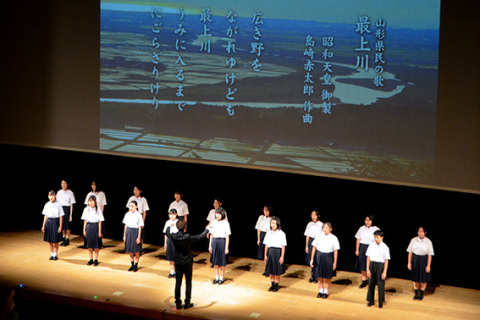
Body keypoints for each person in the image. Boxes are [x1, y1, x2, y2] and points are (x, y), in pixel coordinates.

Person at [166, 220, 209, 310]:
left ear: (177, 227)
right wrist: (207, 229)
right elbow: (200, 237)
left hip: (178, 261)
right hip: (187, 261)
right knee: (188, 282)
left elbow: (167, 232)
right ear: (185, 227)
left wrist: (170, 226)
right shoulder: (187, 236)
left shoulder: (174, 236)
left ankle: (178, 303)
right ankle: (187, 302)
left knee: (178, 282)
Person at [310, 222, 340, 299]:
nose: (325, 229)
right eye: (324, 227)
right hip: (319, 256)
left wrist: (335, 262)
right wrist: (312, 259)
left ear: (330, 229)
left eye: (327, 228)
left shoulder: (334, 238)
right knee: (319, 275)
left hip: (328, 257)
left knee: (327, 276)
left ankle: (326, 291)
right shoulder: (319, 236)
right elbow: (314, 247)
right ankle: (320, 291)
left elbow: (335, 251)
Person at [407, 226, 434, 301]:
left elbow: (430, 254)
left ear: (425, 232)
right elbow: (410, 252)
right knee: (415, 278)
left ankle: (421, 294)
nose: (420, 233)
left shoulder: (428, 241)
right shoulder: (413, 240)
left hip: (424, 260)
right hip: (415, 259)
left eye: (422, 231)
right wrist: (409, 263)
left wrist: (428, 265)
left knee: (423, 278)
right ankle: (416, 294)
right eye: (419, 231)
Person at [366, 230, 390, 308]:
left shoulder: (385, 247)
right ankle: (371, 300)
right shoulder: (371, 245)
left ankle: (380, 302)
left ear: (381, 237)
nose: (376, 239)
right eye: (374, 237)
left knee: (380, 284)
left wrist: (384, 272)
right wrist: (367, 269)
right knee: (371, 284)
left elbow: (386, 260)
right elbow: (368, 257)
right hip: (372, 265)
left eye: (377, 237)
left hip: (380, 266)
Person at [354, 215, 379, 288]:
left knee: (372, 265)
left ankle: (373, 280)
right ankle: (364, 281)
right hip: (362, 247)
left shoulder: (376, 229)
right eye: (366, 220)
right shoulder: (361, 228)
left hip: (372, 248)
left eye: (369, 220)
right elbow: (358, 239)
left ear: (372, 221)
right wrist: (357, 249)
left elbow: (379, 241)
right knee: (362, 264)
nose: (367, 222)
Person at [263, 216, 287, 292]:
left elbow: (283, 246)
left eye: (274, 223)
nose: (273, 225)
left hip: (278, 252)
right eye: (272, 223)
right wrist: (265, 255)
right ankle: (272, 284)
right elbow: (266, 245)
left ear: (277, 224)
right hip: (270, 251)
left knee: (277, 270)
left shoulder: (281, 233)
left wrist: (282, 256)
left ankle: (277, 284)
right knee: (270, 270)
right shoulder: (268, 233)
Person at [208, 207, 231, 285]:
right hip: (215, 241)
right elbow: (211, 234)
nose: (217, 215)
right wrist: (210, 245)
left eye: (219, 214)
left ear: (222, 214)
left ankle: (221, 277)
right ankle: (216, 277)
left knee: (222, 261)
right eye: (216, 214)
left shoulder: (225, 223)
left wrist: (226, 247)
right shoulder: (213, 222)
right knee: (215, 261)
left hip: (222, 241)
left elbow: (227, 236)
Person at [81, 195, 105, 266]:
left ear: (95, 202)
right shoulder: (86, 209)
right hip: (89, 226)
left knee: (96, 244)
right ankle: (91, 259)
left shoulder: (98, 209)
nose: (90, 202)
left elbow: (100, 221)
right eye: (89, 201)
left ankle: (96, 259)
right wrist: (84, 230)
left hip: (95, 226)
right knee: (89, 244)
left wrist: (100, 231)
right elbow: (85, 220)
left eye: (92, 201)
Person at [41, 190, 64, 260]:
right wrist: (43, 225)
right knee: (50, 239)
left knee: (56, 240)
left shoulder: (59, 204)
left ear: (55, 196)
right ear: (48, 196)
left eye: (52, 195)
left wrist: (60, 226)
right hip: (49, 222)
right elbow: (45, 215)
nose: (51, 197)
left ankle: (56, 254)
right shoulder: (47, 204)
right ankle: (52, 254)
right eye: (50, 195)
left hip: (56, 221)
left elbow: (61, 216)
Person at [122, 200, 144, 272]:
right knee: (130, 250)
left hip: (135, 231)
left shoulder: (139, 215)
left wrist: (139, 237)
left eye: (132, 206)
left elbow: (140, 226)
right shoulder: (127, 214)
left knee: (136, 250)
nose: (131, 208)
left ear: (136, 206)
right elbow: (126, 225)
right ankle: (132, 264)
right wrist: (124, 235)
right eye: (130, 206)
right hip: (129, 231)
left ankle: (136, 265)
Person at [304, 210, 323, 283]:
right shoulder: (309, 224)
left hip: (318, 243)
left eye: (315, 215)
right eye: (312, 215)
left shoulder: (321, 225)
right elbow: (307, 235)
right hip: (311, 242)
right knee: (310, 260)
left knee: (316, 260)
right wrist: (306, 246)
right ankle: (312, 275)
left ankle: (317, 275)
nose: (313, 216)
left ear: (318, 216)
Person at [57, 179, 76, 246]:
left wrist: (70, 215)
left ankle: (67, 239)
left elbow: (71, 204)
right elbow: (57, 203)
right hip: (60, 208)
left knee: (67, 225)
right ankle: (63, 238)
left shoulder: (70, 192)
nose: (63, 185)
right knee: (61, 224)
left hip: (67, 209)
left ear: (67, 184)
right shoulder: (59, 192)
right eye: (62, 183)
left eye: (65, 183)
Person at [163, 209, 179, 278]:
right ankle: (172, 272)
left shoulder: (178, 222)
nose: (171, 216)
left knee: (176, 257)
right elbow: (165, 234)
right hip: (169, 240)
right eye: (170, 214)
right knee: (170, 257)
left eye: (173, 214)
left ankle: (177, 272)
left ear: (176, 215)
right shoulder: (167, 222)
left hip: (176, 240)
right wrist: (165, 243)